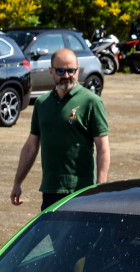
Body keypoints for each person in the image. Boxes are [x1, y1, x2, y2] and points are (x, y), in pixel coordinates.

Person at [11, 48, 110, 210]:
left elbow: (103, 147)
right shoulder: (42, 104)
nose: (66, 75)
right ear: (51, 71)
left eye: (71, 70)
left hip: (81, 191)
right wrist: (17, 182)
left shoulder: (91, 102)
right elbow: (31, 146)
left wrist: (100, 187)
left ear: (78, 70)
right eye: (60, 71)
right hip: (50, 191)